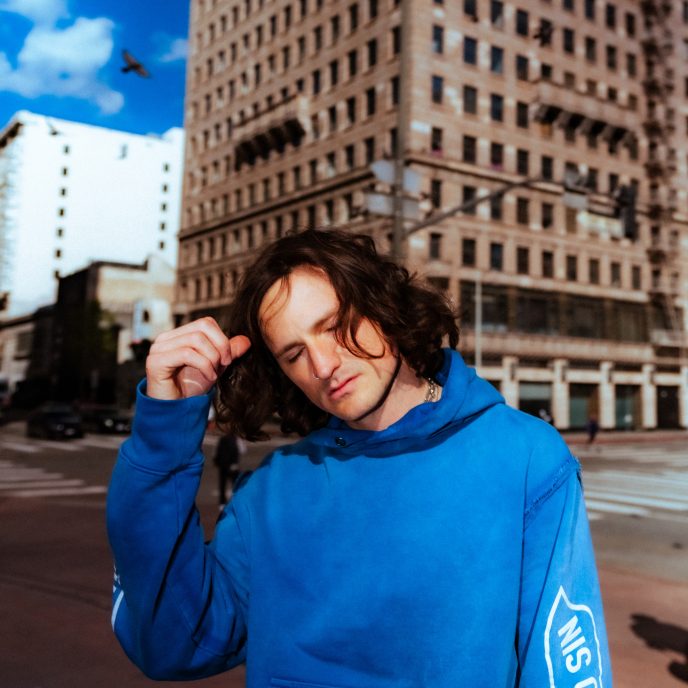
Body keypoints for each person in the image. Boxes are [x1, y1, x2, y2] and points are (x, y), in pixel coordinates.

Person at [107, 229, 612, 687]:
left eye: (335, 325)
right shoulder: (270, 493)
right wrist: (165, 436)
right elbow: (173, 644)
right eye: (294, 354)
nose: (323, 364)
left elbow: (564, 666)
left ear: (382, 305)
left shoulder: (523, 458)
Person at [213, 432, 244, 506]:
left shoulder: (221, 439)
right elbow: (243, 450)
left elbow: (216, 452)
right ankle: (236, 500)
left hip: (223, 465)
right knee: (235, 484)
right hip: (233, 465)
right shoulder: (236, 439)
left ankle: (222, 502)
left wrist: (217, 462)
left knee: (222, 485)